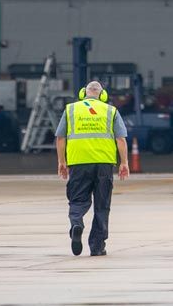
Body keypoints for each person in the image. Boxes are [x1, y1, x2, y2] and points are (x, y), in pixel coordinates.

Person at [55, 81, 130, 257]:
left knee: (77, 200)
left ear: (83, 93)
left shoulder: (70, 110)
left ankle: (76, 224)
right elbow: (121, 139)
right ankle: (97, 246)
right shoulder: (111, 111)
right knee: (102, 205)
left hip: (78, 162)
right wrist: (124, 162)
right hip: (104, 163)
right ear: (102, 95)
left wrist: (61, 162)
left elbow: (60, 138)